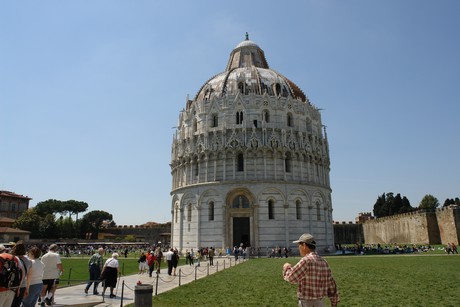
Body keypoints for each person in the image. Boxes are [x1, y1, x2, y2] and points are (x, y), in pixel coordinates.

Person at [283, 233, 339, 307]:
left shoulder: (306, 261)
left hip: (307, 303)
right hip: (321, 303)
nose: (298, 248)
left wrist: (287, 267)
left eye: (299, 245)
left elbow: (291, 277)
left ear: (304, 246)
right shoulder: (324, 262)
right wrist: (334, 304)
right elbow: (332, 287)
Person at [11, 242, 32, 307]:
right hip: (23, 285)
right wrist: (27, 288)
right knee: (17, 304)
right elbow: (29, 276)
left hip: (12, 285)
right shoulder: (29, 261)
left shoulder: (12, 259)